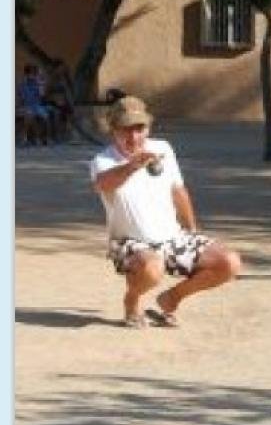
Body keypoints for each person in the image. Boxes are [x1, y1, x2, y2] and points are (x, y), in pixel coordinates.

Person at [90, 96, 241, 328]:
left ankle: (171, 299)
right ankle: (131, 301)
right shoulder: (103, 160)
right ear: (113, 131)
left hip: (172, 237)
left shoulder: (163, 149)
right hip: (130, 242)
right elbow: (102, 184)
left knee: (229, 263)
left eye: (139, 129)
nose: (133, 137)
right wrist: (131, 166)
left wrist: (191, 228)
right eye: (125, 129)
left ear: (148, 128)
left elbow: (177, 190)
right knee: (153, 269)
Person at [17, 63, 51, 146]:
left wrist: (40, 84)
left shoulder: (37, 84)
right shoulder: (22, 85)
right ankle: (25, 138)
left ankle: (44, 138)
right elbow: (22, 98)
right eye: (31, 73)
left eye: (34, 73)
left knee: (45, 116)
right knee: (30, 115)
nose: (33, 75)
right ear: (27, 74)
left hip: (37, 106)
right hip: (26, 106)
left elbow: (42, 95)